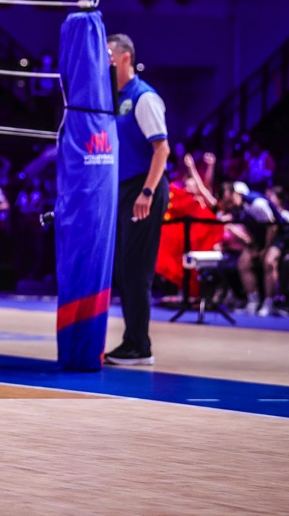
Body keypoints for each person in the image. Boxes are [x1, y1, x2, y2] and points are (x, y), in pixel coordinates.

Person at [104, 33, 169, 366]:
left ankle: (140, 346)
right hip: (124, 189)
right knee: (124, 268)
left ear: (125, 57)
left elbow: (162, 149)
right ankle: (132, 341)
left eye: (108, 55)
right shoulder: (112, 98)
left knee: (136, 269)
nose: (104, 62)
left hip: (143, 188)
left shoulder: (144, 98)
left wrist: (147, 192)